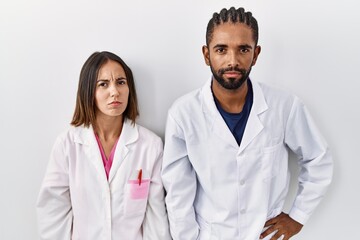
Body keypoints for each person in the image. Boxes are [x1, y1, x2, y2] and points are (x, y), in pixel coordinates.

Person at [161, 7, 333, 240]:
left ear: (256, 53)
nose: (232, 61)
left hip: (266, 234)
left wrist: (298, 217)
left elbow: (318, 159)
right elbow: (178, 193)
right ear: (206, 54)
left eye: (243, 49)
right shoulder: (183, 113)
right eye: (221, 50)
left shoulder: (284, 106)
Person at [36, 51, 171, 240]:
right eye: (103, 84)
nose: (115, 91)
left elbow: (156, 219)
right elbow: (52, 214)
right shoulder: (67, 145)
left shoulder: (150, 146)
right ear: (88, 91)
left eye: (121, 82)